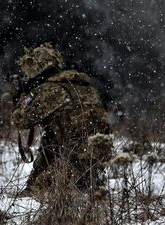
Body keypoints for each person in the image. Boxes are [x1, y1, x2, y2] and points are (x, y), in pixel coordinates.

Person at [11, 43, 113, 196]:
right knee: (52, 138)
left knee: (43, 191)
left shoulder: (50, 89)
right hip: (98, 153)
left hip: (75, 156)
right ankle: (89, 183)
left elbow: (21, 120)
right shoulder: (84, 86)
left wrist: (20, 96)